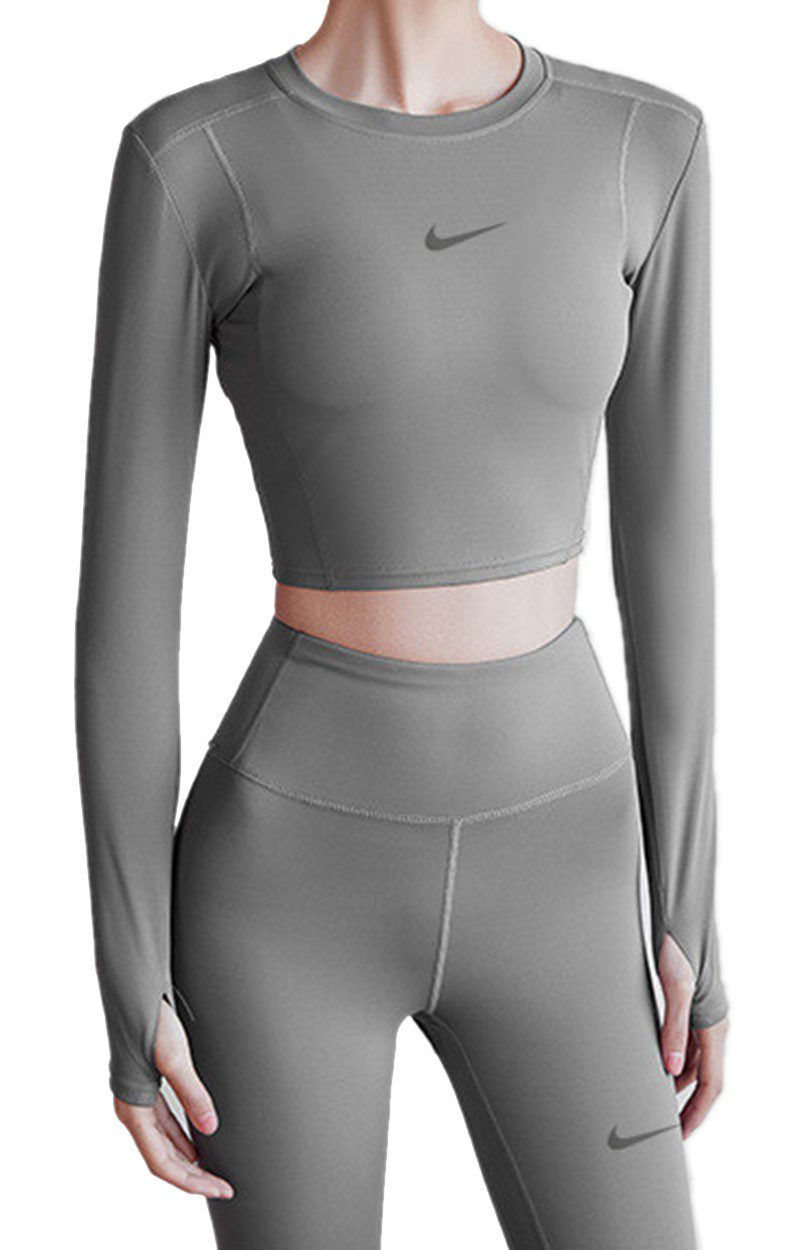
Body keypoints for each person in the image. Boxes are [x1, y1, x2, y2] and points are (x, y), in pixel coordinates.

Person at [75, 2, 729, 1246]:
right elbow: (124, 603)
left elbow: (670, 554)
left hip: (571, 871)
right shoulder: (196, 158)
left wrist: (687, 903)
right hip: (286, 888)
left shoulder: (645, 146)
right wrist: (129, 963)